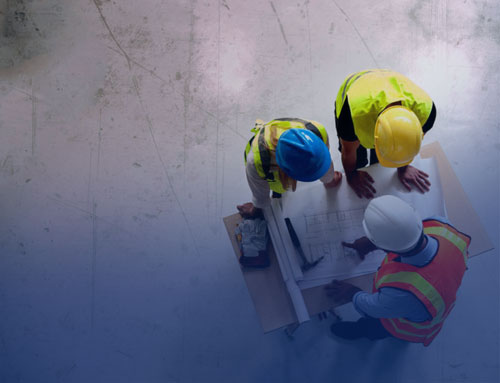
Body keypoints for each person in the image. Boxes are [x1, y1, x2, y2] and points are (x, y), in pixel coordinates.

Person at [325, 195, 471, 346]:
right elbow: (408, 238)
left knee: (376, 328)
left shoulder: (403, 293)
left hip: (407, 326)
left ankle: (362, 331)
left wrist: (351, 292)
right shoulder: (441, 225)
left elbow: (373, 309)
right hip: (438, 294)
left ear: (384, 247)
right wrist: (375, 243)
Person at [335, 69, 437, 198]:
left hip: (388, 83)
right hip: (356, 92)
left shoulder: (426, 113)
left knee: (379, 160)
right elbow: (348, 152)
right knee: (358, 159)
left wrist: (403, 167)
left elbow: (405, 144)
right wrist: (352, 175)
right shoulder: (351, 118)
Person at [237, 118, 342, 218]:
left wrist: (329, 179)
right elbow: (260, 195)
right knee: (280, 189)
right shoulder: (256, 163)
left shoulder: (318, 131)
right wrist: (255, 209)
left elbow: (321, 158)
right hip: (268, 168)